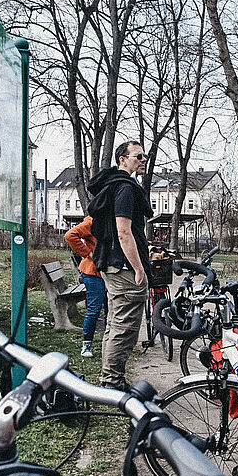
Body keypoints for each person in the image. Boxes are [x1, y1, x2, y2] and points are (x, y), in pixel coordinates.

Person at [87, 140, 153, 391]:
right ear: (122, 160)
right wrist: (138, 268)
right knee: (124, 328)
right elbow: (124, 232)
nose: (143, 160)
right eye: (138, 156)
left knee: (115, 324)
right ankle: (112, 384)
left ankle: (109, 379)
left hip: (110, 264)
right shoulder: (125, 188)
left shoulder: (112, 185)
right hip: (123, 267)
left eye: (144, 156)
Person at [64, 216, 106, 357]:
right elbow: (70, 235)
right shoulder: (92, 221)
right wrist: (88, 253)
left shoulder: (113, 218)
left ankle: (108, 344)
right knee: (94, 309)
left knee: (109, 309)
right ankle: (86, 346)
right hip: (93, 271)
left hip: (108, 271)